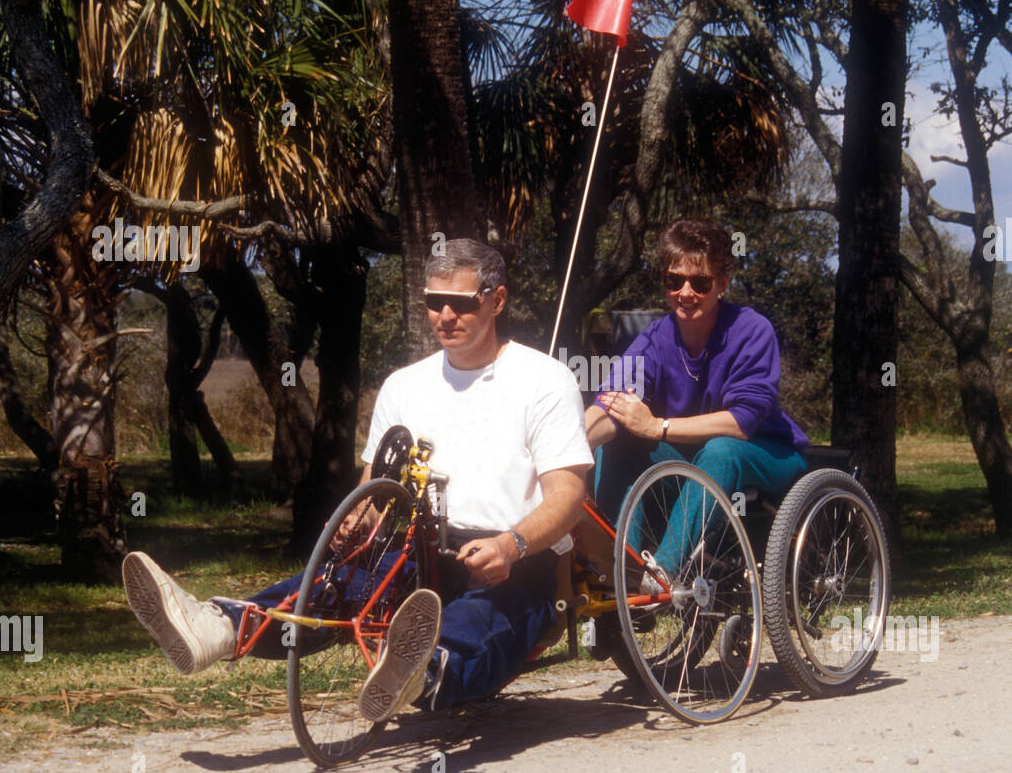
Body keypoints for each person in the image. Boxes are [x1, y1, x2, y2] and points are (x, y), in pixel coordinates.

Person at [123, 239, 593, 722]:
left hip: (516, 560)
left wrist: (511, 545)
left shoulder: (545, 380)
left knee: (482, 620)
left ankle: (422, 671)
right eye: (434, 302)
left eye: (461, 303)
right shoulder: (405, 384)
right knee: (337, 584)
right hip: (419, 550)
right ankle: (218, 628)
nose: (445, 315)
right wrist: (356, 516)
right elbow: (375, 485)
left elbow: (568, 496)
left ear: (497, 300)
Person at [584, 218, 810, 582]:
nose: (685, 293)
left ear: (722, 284)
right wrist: (568, 448)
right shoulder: (655, 337)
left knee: (721, 449)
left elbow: (742, 421)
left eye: (700, 283)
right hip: (693, 461)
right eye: (674, 281)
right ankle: (621, 570)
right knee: (616, 438)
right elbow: (612, 403)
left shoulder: (752, 330)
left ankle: (663, 574)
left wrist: (658, 426)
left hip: (768, 454)